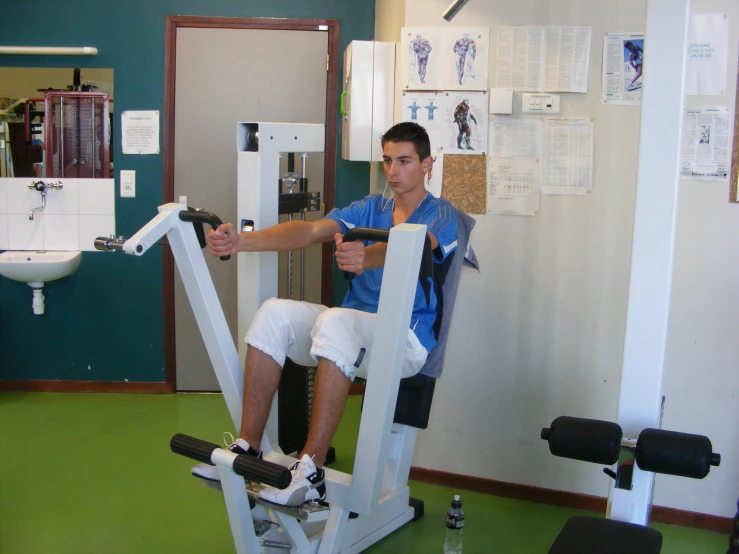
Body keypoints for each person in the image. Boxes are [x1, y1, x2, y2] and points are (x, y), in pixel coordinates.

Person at [192, 122, 458, 507]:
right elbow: (310, 230)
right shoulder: (372, 206)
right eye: (387, 161)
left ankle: (310, 470)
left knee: (336, 320)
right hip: (352, 333)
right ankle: (247, 447)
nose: (394, 171)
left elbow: (418, 244)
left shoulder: (441, 213)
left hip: (406, 339)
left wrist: (365, 257)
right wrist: (241, 242)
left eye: (404, 161)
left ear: (427, 164)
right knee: (273, 314)